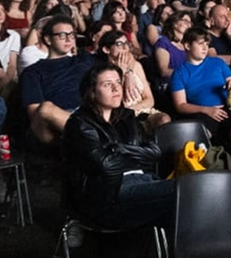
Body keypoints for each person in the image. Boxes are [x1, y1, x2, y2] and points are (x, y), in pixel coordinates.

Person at [60, 64, 176, 230]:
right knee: (189, 190)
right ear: (92, 93)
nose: (116, 88)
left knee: (187, 204)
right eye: (107, 84)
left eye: (118, 82)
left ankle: (185, 251)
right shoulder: (80, 124)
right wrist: (137, 156)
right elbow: (106, 166)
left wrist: (117, 149)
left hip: (144, 181)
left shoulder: (127, 117)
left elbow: (154, 153)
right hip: (107, 194)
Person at [19, 16, 91, 145]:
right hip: (59, 123)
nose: (69, 39)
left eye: (72, 34)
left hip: (90, 113)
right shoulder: (33, 72)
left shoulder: (84, 60)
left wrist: (128, 73)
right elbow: (36, 114)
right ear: (48, 39)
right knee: (46, 108)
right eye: (62, 35)